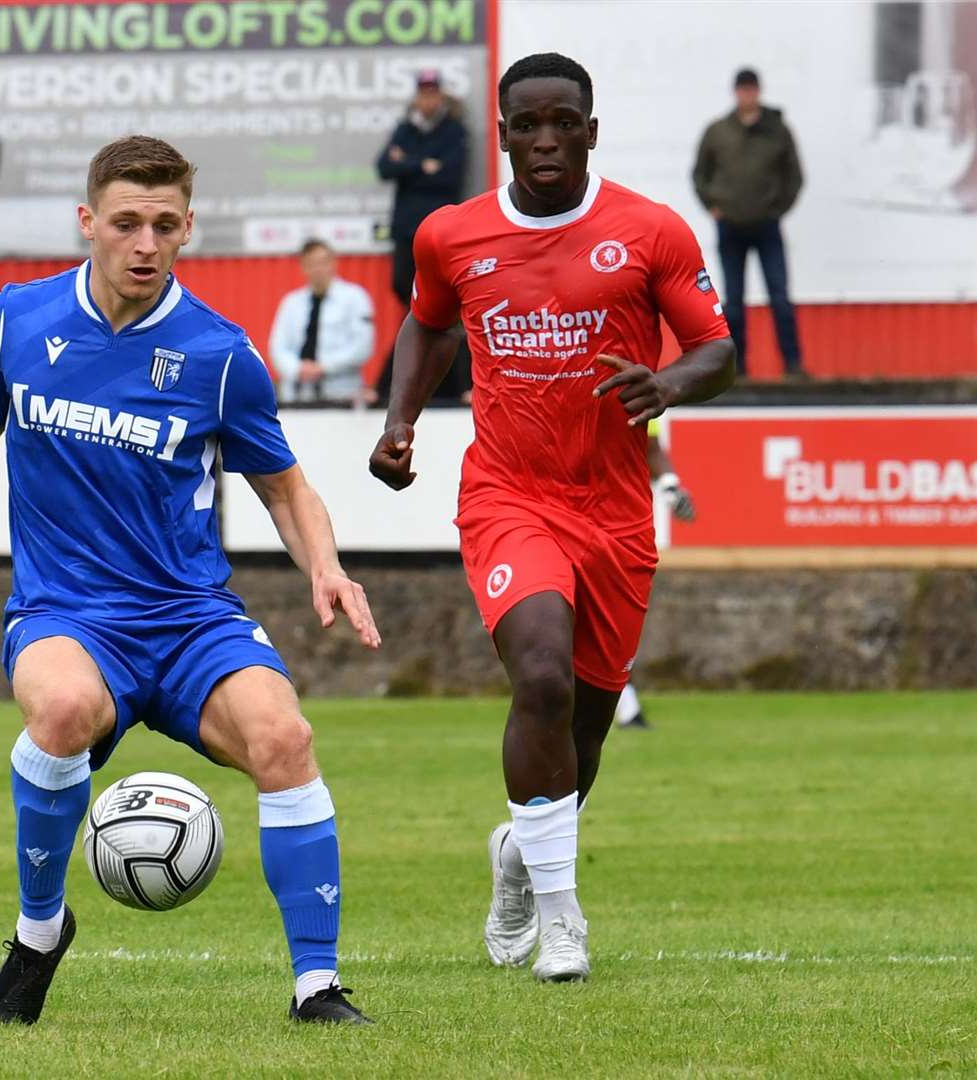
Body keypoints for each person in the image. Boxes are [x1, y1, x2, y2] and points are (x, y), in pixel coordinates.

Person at [0, 135, 377, 1027]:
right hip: (66, 612)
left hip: (189, 620)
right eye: (127, 223)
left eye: (165, 225)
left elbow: (284, 486)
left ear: (188, 230)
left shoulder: (220, 354)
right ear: (88, 223)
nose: (145, 243)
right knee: (60, 713)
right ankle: (37, 937)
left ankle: (316, 988)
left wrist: (327, 568)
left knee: (284, 738)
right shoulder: (16, 320)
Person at [368, 53, 735, 983]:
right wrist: (401, 421)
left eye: (562, 121)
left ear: (590, 130)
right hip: (508, 493)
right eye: (525, 123)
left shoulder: (648, 231)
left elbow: (716, 349)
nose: (543, 139)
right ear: (499, 133)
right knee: (539, 677)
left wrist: (670, 383)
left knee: (585, 730)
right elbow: (429, 323)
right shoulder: (451, 234)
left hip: (611, 508)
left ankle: (520, 861)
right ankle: (564, 920)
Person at [693, 68, 805, 378]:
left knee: (780, 298)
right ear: (736, 93)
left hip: (767, 226)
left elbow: (794, 175)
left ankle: (793, 365)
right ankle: (737, 369)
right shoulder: (718, 131)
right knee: (733, 302)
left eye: (752, 90)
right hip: (730, 226)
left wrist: (778, 208)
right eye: (743, 90)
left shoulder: (777, 129)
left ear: (759, 91)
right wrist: (712, 207)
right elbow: (700, 174)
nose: (747, 95)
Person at [375, 69, 471, 403]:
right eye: (423, 93)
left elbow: (449, 178)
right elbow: (384, 167)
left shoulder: (453, 130)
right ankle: (411, 385)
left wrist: (408, 164)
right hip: (405, 233)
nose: (428, 99)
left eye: (433, 93)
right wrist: (423, 165)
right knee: (412, 305)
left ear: (440, 95)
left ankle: (458, 385)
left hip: (439, 236)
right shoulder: (406, 128)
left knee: (443, 307)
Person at [615, 418, 697, 732]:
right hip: (553, 513)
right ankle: (624, 705)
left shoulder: (634, 377)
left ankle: (624, 703)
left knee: (612, 622)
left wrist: (671, 488)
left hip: (616, 522)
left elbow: (650, 446)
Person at [268, 239, 375, 405]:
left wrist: (323, 367)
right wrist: (298, 369)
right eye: (311, 263)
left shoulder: (355, 297)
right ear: (303, 267)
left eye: (323, 262)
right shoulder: (291, 302)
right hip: (296, 397)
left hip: (342, 395)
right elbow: (278, 348)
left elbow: (361, 347)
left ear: (333, 263)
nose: (318, 269)